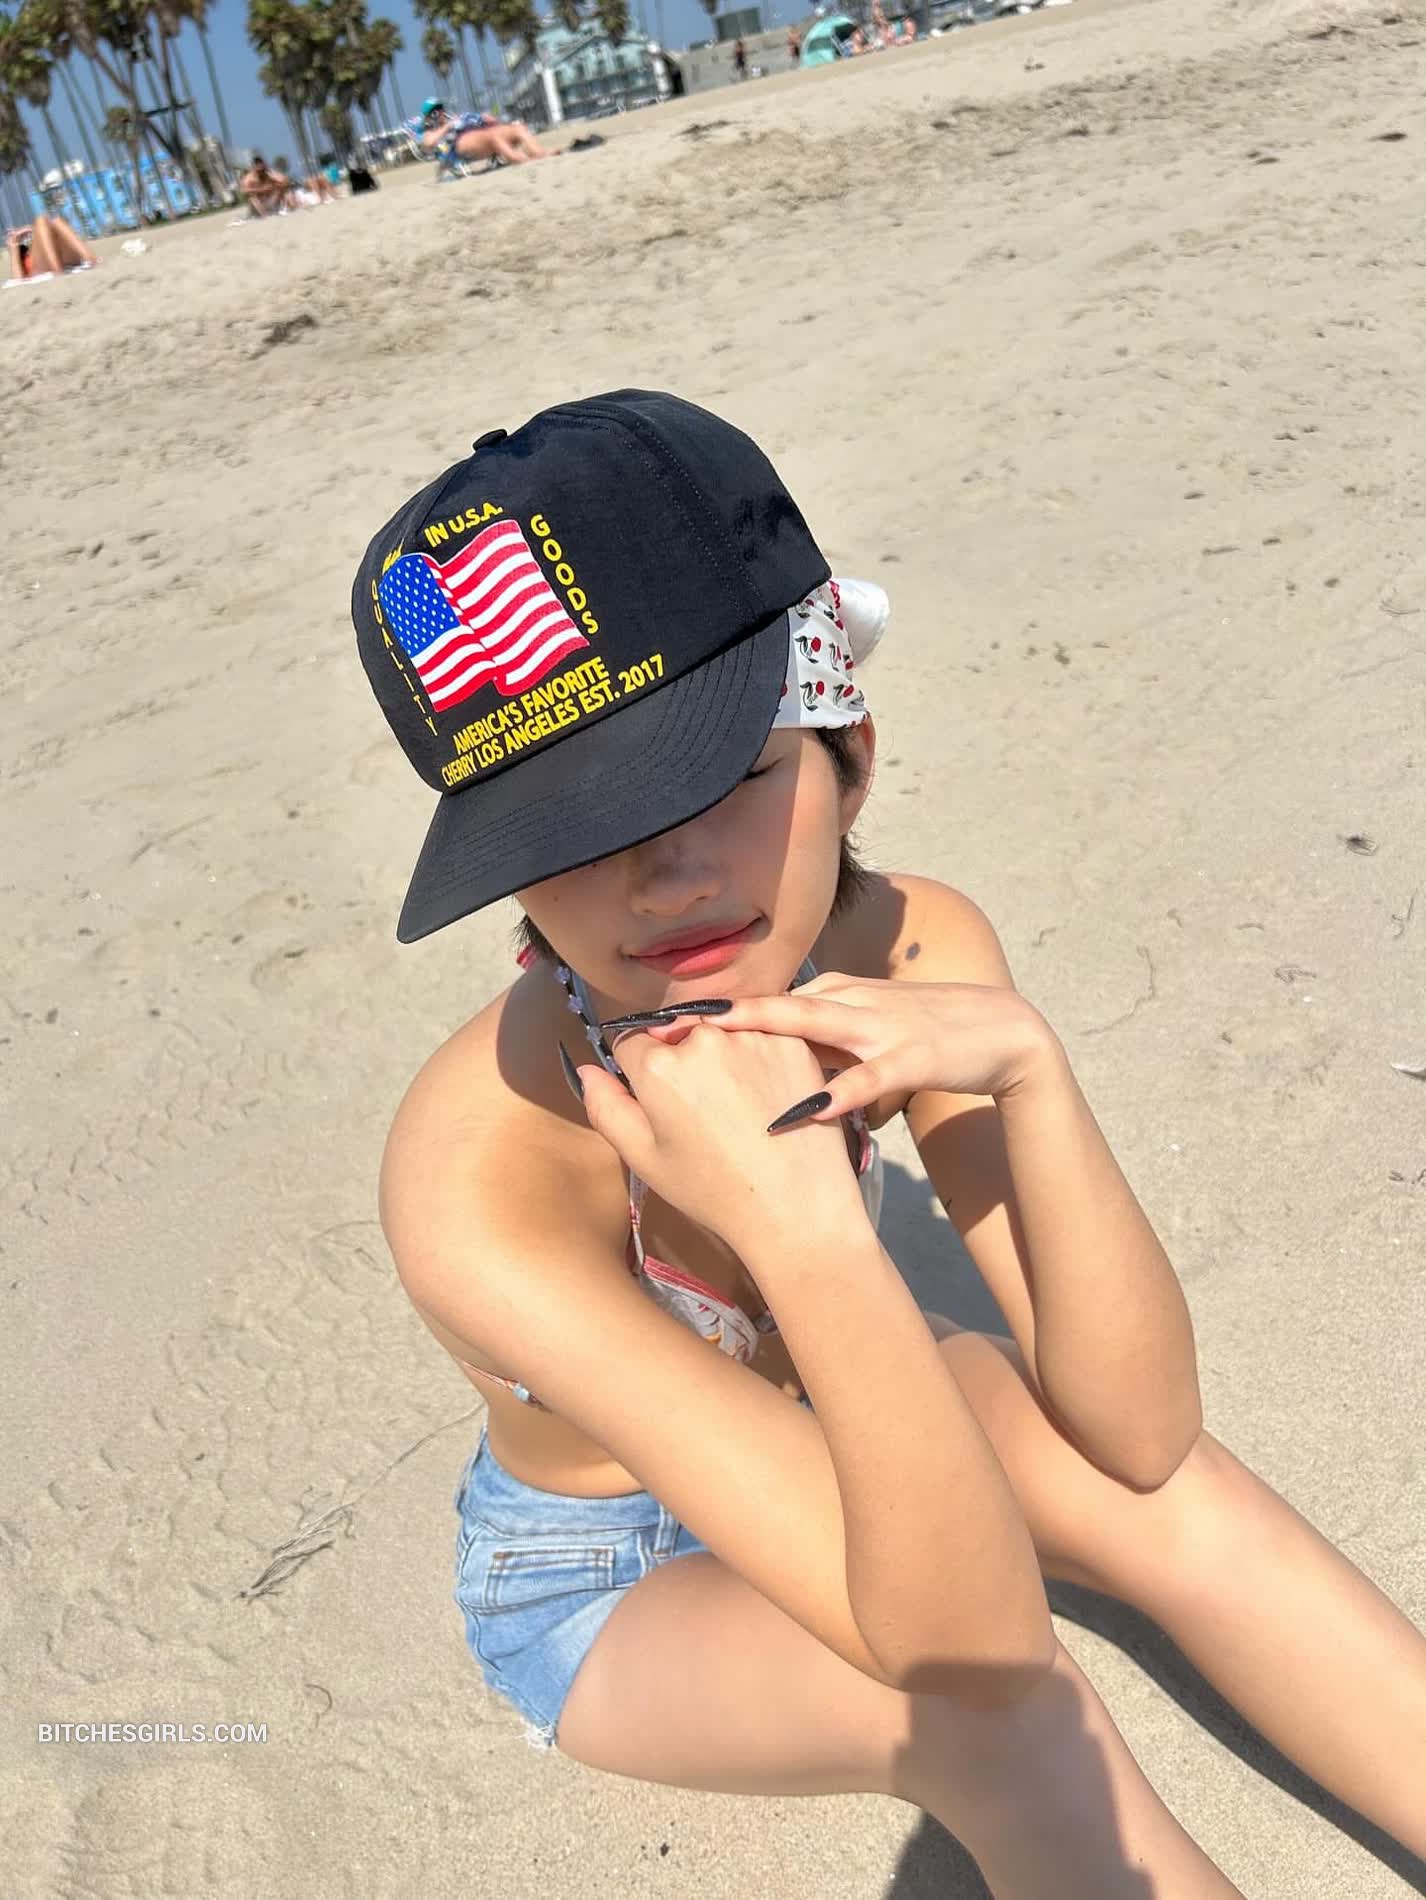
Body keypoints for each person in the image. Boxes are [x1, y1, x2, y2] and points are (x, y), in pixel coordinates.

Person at [352, 391, 1426, 1895]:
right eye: (566, 826)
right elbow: (974, 1657)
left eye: (721, 774)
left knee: (1173, 1500)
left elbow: (1140, 1435)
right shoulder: (481, 1172)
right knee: (1011, 1726)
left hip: (838, 1401)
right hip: (604, 1565)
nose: (660, 874)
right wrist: (800, 1231)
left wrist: (1034, 1080)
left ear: (846, 744)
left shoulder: (909, 948)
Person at [418, 97, 550, 168]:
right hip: (462, 146)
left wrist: (482, 118)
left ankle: (539, 153)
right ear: (429, 117)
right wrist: (448, 126)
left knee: (518, 128)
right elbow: (428, 143)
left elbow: (488, 120)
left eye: (440, 108)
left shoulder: (457, 117)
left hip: (479, 134)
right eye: (434, 111)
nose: (440, 112)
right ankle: (521, 159)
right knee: (492, 137)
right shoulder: (430, 132)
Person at [5, 213, 98, 282]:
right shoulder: (19, 252)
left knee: (57, 221)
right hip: (36, 270)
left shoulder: (33, 246)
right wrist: (14, 248)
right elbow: (18, 279)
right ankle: (58, 271)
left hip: (63, 260)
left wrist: (31, 228)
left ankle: (91, 259)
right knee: (41, 219)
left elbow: (44, 231)